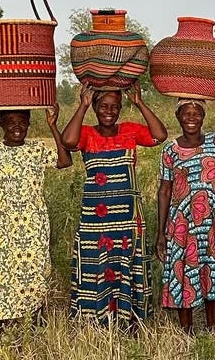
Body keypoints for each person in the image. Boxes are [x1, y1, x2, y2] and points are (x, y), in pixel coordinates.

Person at [0, 105, 72, 329]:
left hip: (34, 220)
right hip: (4, 221)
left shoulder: (36, 149)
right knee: (4, 272)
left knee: (36, 270)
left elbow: (64, 161)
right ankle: (3, 324)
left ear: (28, 124)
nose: (17, 126)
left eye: (22, 121)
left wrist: (52, 125)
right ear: (1, 124)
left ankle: (35, 320)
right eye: (10, 121)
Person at [61, 83, 167, 326]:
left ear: (120, 109)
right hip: (94, 220)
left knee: (126, 264)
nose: (109, 111)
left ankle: (128, 319)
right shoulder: (87, 133)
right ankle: (95, 319)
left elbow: (159, 135)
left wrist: (139, 102)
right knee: (95, 262)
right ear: (95, 107)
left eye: (115, 107)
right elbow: (68, 142)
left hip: (128, 219)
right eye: (103, 106)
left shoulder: (129, 131)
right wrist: (82, 105)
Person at [156, 88, 215, 334]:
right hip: (182, 223)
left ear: (203, 117)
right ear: (177, 116)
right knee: (184, 271)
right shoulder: (170, 150)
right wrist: (160, 232)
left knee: (213, 272)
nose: (191, 118)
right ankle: (186, 331)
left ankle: (213, 328)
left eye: (197, 114)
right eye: (186, 113)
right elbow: (164, 191)